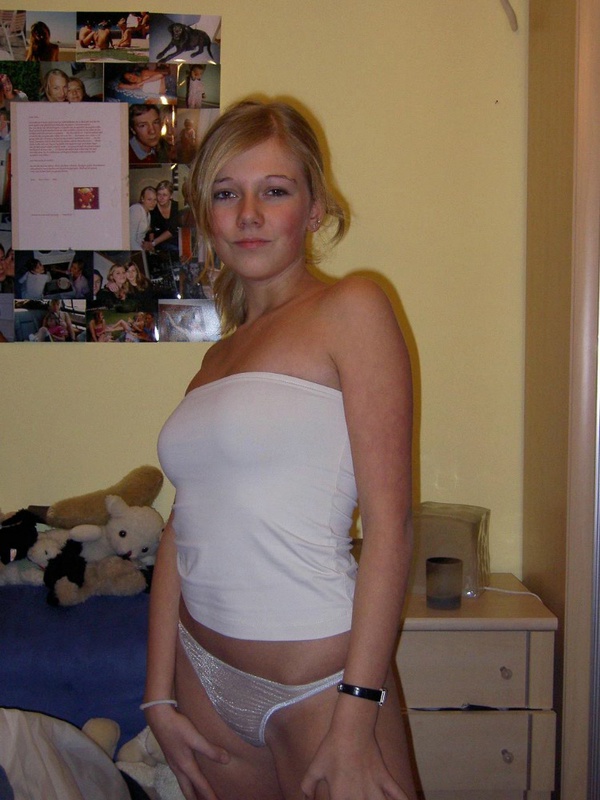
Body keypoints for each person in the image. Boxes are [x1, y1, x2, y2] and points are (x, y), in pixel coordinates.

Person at [145, 99, 418, 800]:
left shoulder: (352, 308)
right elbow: (181, 527)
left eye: (274, 191)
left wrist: (357, 713)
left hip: (321, 684)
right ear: (206, 216)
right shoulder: (216, 358)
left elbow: (391, 526)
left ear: (315, 209)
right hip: (201, 677)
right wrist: (157, 696)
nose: (248, 214)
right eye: (225, 194)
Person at [150, 179, 179, 253]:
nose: (161, 198)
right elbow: (150, 230)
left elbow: (172, 229)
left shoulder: (176, 207)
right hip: (159, 241)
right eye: (159, 194)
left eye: (165, 195)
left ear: (171, 196)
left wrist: (153, 243)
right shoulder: (153, 208)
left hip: (174, 238)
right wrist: (152, 245)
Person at [129, 186, 157, 251]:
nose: (153, 203)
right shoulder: (136, 210)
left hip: (139, 247)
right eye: (149, 199)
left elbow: (141, 237)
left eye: (155, 200)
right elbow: (130, 239)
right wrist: (142, 252)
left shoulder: (148, 214)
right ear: (142, 199)